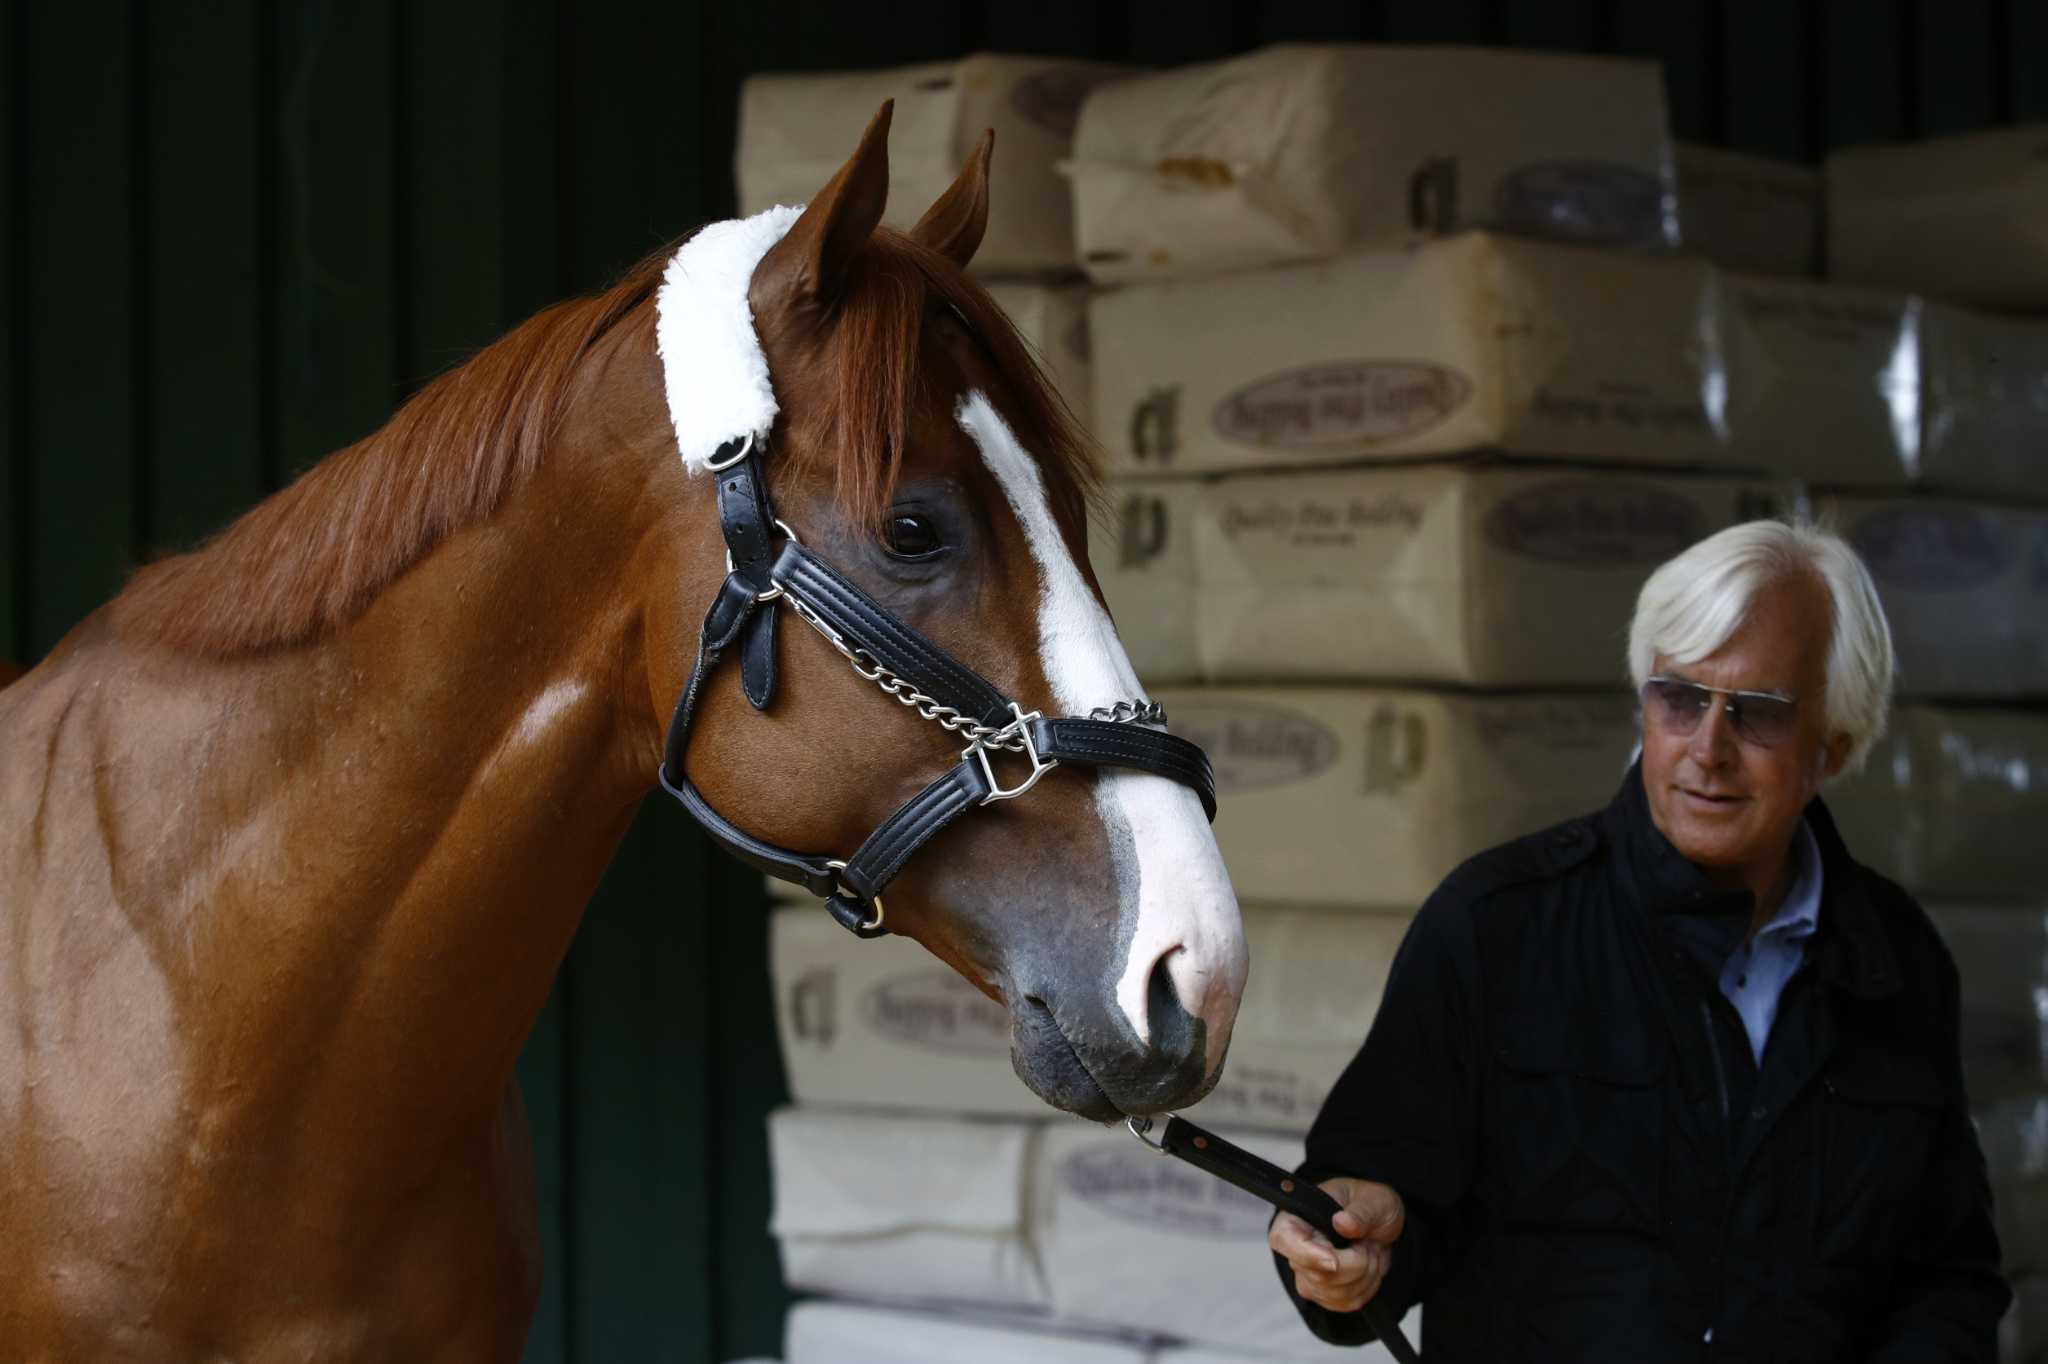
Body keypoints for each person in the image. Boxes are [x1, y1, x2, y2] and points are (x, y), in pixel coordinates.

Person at [1269, 519, 2010, 1361]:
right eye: (1681, 698)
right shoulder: (1495, 925)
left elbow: (1947, 1277)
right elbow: (1367, 1208)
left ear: (1833, 748)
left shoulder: (1897, 960)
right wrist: (1350, 1248)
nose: (1707, 750)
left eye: (1758, 712)